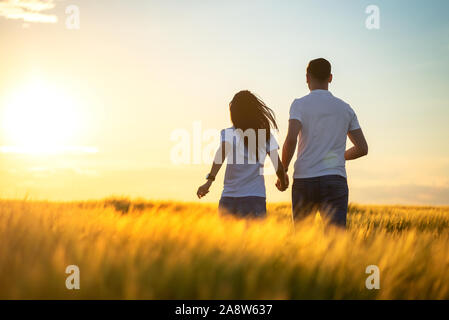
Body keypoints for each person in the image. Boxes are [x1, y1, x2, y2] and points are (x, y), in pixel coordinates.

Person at [278, 58, 368, 227]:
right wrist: (336, 158)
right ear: (330, 78)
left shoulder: (299, 105)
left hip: (304, 179)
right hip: (335, 179)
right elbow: (362, 148)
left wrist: (283, 172)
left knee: (303, 241)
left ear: (307, 77)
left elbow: (291, 140)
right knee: (335, 242)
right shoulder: (345, 108)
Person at [197, 90, 288, 218]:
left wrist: (209, 181)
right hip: (255, 198)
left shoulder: (229, 133)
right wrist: (283, 181)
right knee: (254, 238)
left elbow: (220, 156)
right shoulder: (265, 135)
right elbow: (277, 165)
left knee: (227, 238)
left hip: (229, 198)